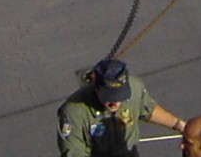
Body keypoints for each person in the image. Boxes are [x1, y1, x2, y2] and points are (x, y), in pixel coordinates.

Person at [58, 59, 188, 157]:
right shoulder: (73, 112)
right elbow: (73, 153)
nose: (115, 102)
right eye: (109, 96)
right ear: (96, 88)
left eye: (120, 96)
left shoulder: (135, 87)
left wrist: (179, 125)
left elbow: (148, 109)